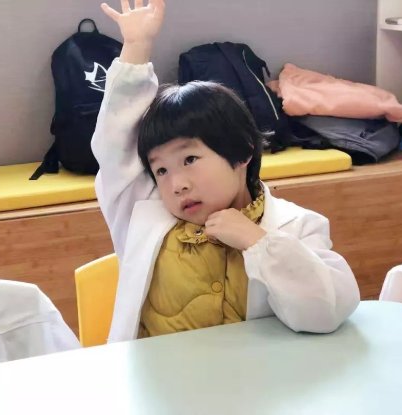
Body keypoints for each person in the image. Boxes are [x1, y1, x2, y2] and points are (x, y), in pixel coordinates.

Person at [92, 0, 360, 342]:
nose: (176, 184)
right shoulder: (142, 212)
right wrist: (136, 48)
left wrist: (258, 243)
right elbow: (116, 142)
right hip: (160, 376)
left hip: (257, 375)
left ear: (243, 151)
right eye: (161, 170)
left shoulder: (297, 226)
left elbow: (326, 312)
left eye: (190, 159)